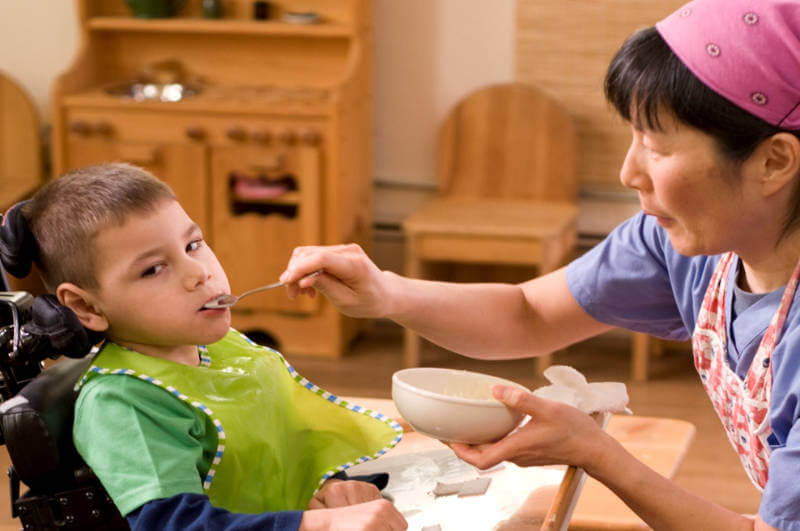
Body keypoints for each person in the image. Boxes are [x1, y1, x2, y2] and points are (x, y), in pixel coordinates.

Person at [280, 0, 800, 529]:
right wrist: (386, 293)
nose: (628, 172)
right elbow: (529, 312)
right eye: (632, 137)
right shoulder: (685, 243)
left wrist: (596, 452)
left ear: (774, 161)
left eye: (656, 146)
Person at [0, 163, 407, 531]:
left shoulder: (227, 347)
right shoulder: (123, 404)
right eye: (153, 269)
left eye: (193, 245)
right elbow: (175, 526)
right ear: (87, 306)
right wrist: (319, 526)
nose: (199, 273)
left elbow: (276, 457)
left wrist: (334, 487)